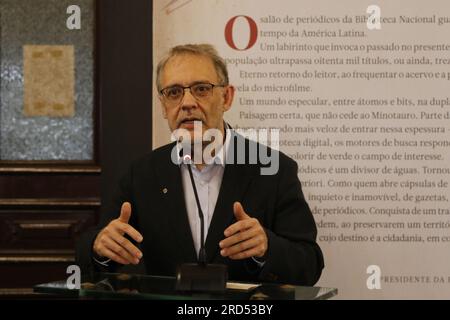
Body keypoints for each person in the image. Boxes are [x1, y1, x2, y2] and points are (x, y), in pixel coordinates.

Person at [76, 44, 324, 286]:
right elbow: (93, 250)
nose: (187, 103)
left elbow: (310, 264)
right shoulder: (143, 174)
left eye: (201, 89)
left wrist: (267, 248)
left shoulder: (274, 169)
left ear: (226, 97)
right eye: (173, 93)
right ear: (164, 106)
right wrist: (100, 248)